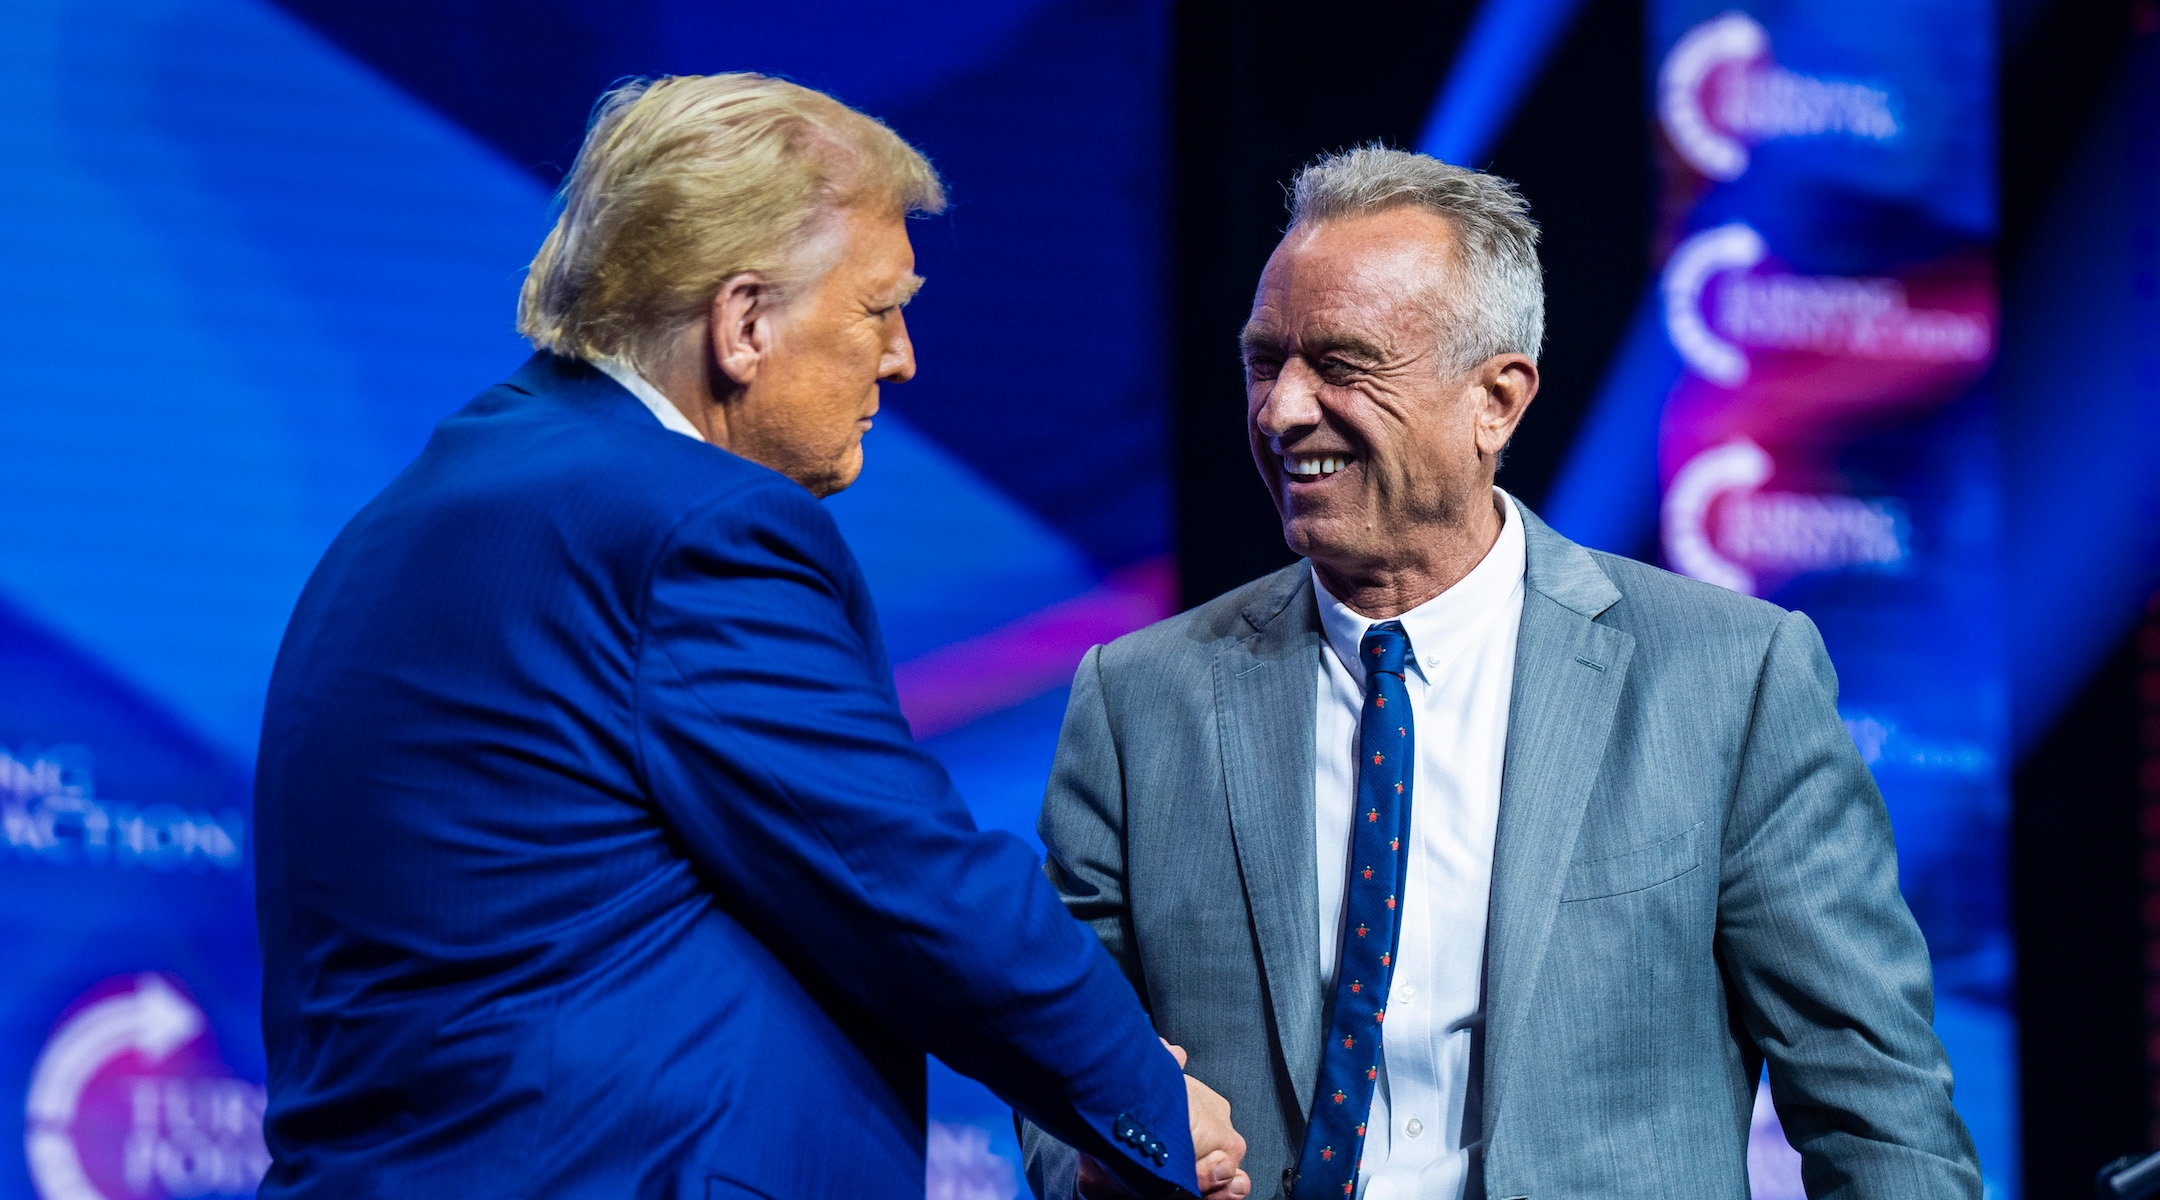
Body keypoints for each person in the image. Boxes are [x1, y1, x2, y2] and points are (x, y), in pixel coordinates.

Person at [253, 73, 1248, 1200]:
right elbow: (901, 875)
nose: (904, 356)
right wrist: (1147, 1103)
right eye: (879, 308)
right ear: (744, 323)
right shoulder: (691, 527)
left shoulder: (419, 513)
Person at [1020, 146, 1981, 1200]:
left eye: (1341, 363)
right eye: (1265, 360)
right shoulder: (1138, 700)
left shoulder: (1728, 681)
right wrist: (1109, 1153)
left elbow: (1877, 1112)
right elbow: (1056, 1074)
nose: (1283, 410)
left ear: (1498, 401)